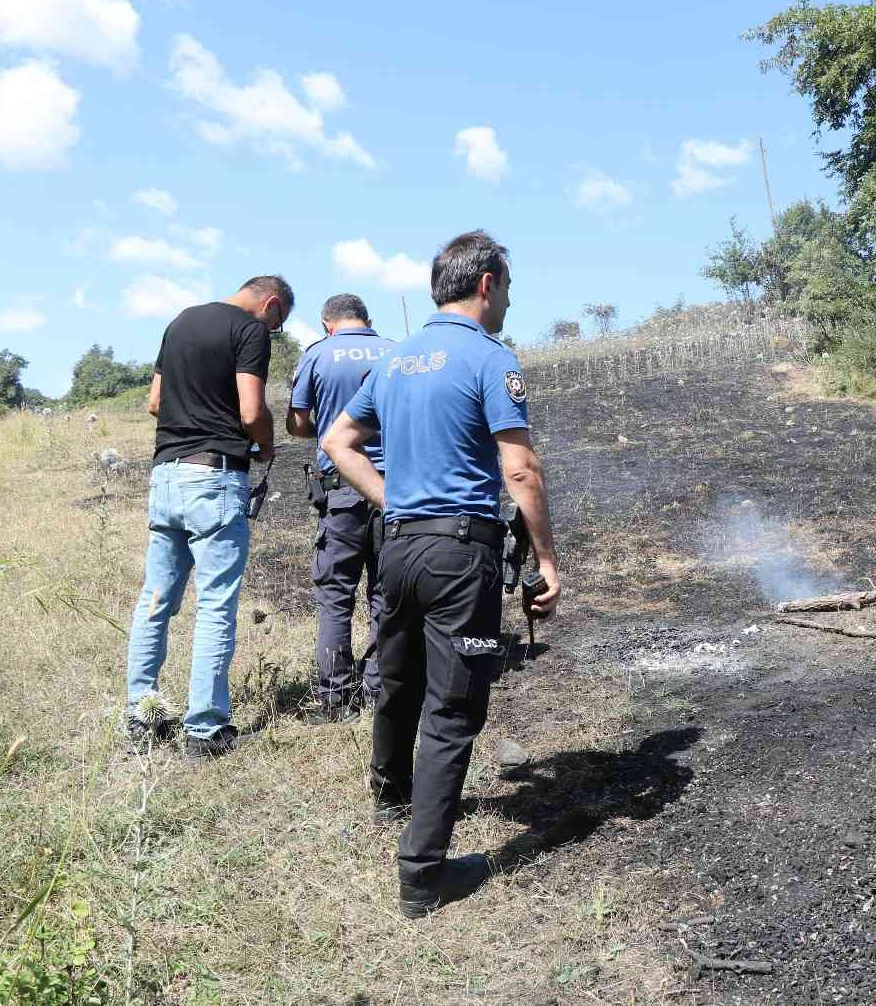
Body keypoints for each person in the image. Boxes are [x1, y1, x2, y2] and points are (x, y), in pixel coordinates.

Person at [322, 230, 561, 918]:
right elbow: (519, 468)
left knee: (398, 681)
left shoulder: (396, 361)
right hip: (461, 554)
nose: (509, 301)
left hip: (396, 547)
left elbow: (337, 441)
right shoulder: (490, 358)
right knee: (454, 706)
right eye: (508, 288)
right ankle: (422, 874)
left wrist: (390, 498)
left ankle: (390, 797)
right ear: (486, 284)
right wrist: (546, 560)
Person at [123, 276, 295, 761]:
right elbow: (250, 409)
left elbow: (155, 402)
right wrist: (265, 446)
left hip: (166, 476)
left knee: (155, 600)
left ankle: (140, 715)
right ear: (271, 303)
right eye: (277, 324)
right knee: (216, 603)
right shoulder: (250, 330)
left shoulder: (178, 323)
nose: (273, 331)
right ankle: (204, 728)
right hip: (213, 478)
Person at [286, 293, 396, 723]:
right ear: (367, 319)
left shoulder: (317, 355)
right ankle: (378, 688)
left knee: (335, 596)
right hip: (392, 490)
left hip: (342, 490)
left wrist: (332, 427)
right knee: (385, 594)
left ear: (325, 323)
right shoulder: (395, 351)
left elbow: (297, 423)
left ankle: (335, 699)